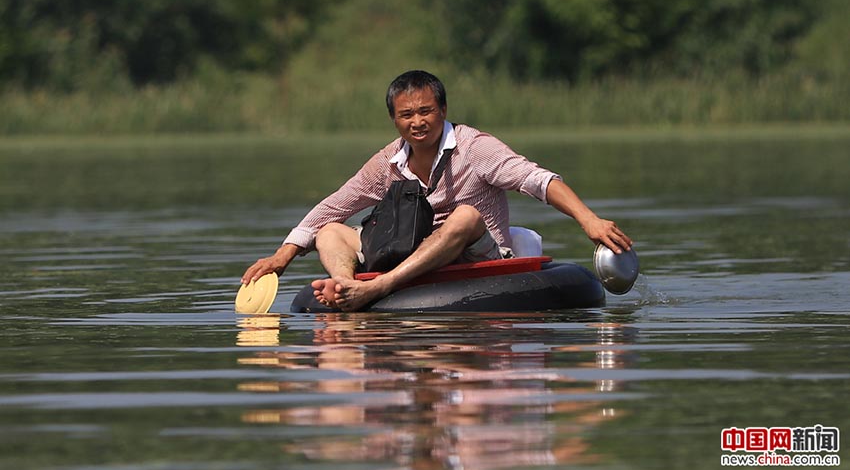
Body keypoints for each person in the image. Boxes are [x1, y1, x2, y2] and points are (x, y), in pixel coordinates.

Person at [241, 70, 632, 311]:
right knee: (330, 231)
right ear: (394, 120)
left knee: (466, 215)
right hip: (411, 254)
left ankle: (375, 289)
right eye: (406, 115)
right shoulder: (387, 162)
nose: (417, 122)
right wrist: (282, 256)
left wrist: (589, 219)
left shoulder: (474, 147)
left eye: (425, 111)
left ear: (442, 110)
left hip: (475, 256)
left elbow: (536, 179)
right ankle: (347, 286)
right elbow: (333, 206)